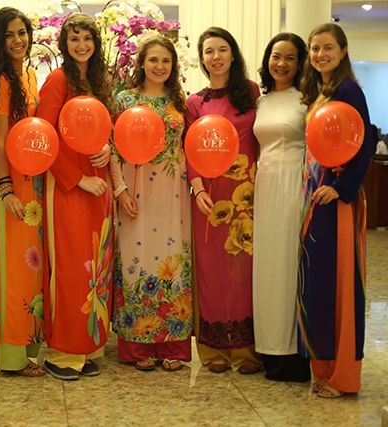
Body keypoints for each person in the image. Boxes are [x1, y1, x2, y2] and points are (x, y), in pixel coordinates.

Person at [298, 23, 375, 398]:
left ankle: (342, 375)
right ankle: (324, 367)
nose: (320, 54)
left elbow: (364, 142)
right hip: (316, 199)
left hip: (335, 202)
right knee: (318, 283)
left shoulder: (348, 90)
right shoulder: (322, 90)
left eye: (328, 47)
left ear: (343, 51)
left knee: (337, 286)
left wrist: (342, 189)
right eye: (315, 48)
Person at [36, 13, 113, 381]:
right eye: (74, 39)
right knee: (69, 267)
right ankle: (63, 352)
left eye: (87, 38)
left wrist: (108, 149)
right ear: (65, 45)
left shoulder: (98, 81)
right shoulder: (57, 80)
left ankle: (85, 348)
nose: (82, 45)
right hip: (68, 185)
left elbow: (104, 127)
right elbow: (44, 138)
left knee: (94, 265)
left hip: (99, 182)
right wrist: (78, 179)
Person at [110, 35, 192, 372]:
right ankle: (138, 345)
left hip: (173, 194)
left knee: (173, 260)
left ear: (173, 66)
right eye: (153, 60)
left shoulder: (179, 102)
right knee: (136, 259)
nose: (159, 66)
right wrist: (120, 190)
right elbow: (112, 149)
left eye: (166, 61)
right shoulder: (124, 100)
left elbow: (187, 148)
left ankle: (172, 343)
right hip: (136, 189)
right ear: (142, 63)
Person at [185, 27, 261, 375]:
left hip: (246, 195)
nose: (215, 57)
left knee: (243, 274)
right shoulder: (195, 103)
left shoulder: (251, 92)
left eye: (222, 50)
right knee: (212, 272)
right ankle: (213, 348)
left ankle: (247, 351)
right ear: (202, 59)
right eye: (209, 51)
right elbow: (189, 149)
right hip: (209, 199)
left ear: (233, 54)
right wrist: (198, 189)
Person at [0, 7, 45, 377]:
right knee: (11, 269)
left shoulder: (30, 75)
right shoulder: (0, 82)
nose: (18, 40)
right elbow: (0, 142)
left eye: (22, 33)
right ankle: (12, 356)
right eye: (9, 35)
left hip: (32, 179)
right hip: (10, 182)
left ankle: (28, 346)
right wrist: (7, 191)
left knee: (29, 268)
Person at [252, 33, 311, 382]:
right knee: (267, 267)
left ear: (300, 62)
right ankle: (268, 349)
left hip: (294, 186)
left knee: (289, 265)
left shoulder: (307, 99)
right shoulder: (261, 101)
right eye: (276, 56)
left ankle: (294, 352)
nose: (282, 63)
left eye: (290, 57)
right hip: (265, 186)